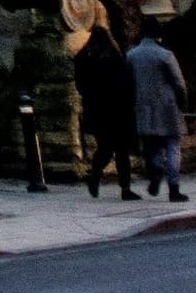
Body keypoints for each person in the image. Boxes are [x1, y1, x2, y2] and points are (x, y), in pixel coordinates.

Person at [125, 26, 189, 204]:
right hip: (168, 106)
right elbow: (179, 83)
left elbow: (128, 82)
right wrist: (183, 102)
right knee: (172, 146)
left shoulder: (131, 55)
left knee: (152, 145)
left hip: (143, 106)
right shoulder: (165, 55)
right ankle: (174, 188)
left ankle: (157, 168)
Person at [73, 22, 134, 199]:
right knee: (121, 150)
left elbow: (81, 86)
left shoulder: (83, 58)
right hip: (116, 110)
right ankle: (125, 188)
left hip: (96, 111)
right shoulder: (115, 57)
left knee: (105, 147)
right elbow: (124, 85)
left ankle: (95, 175)